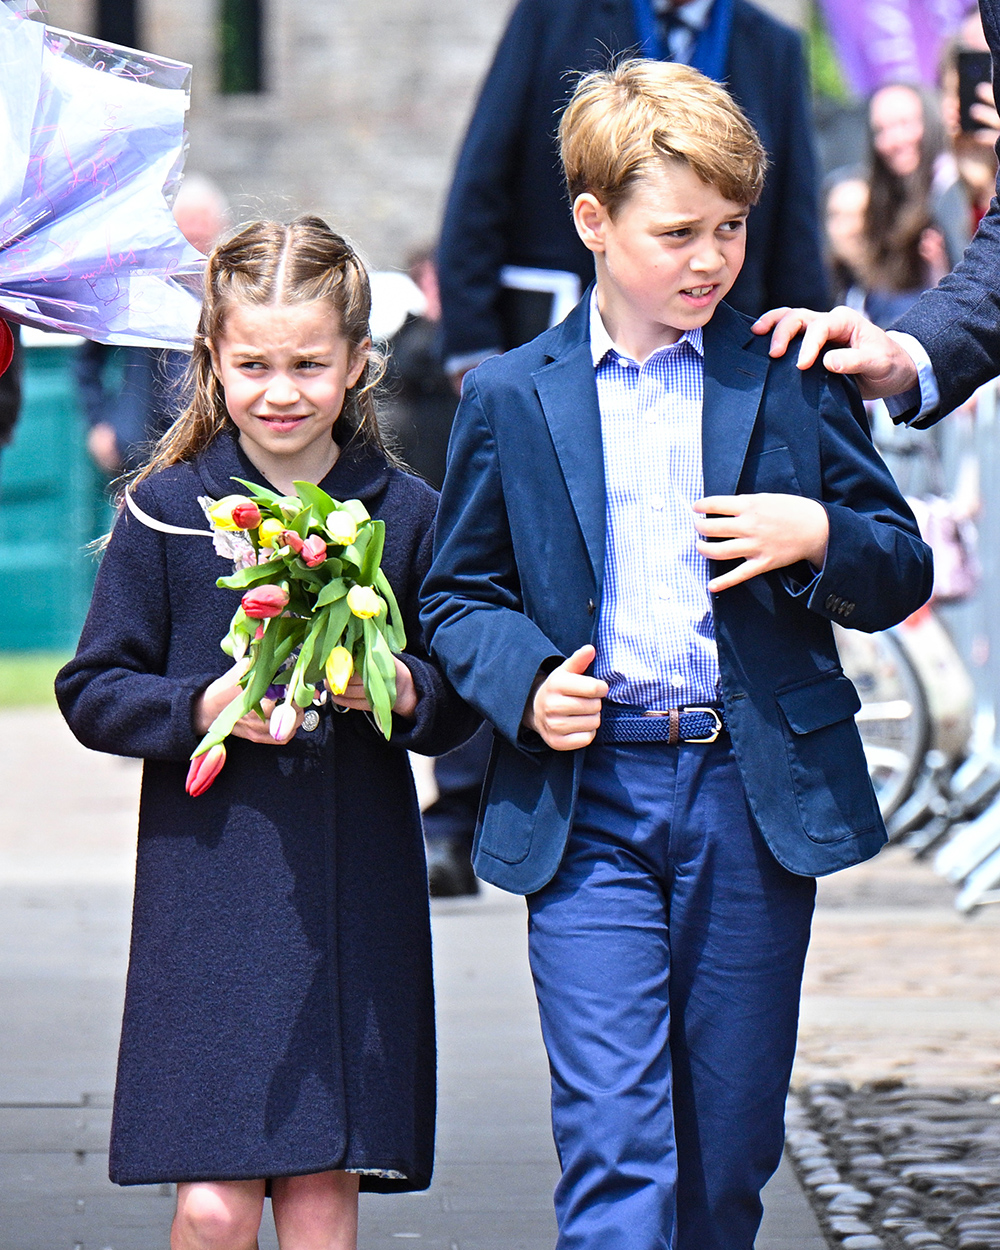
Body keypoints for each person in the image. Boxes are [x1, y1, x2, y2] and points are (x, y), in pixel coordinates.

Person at [421, 60, 932, 1250]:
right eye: (679, 231)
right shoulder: (508, 391)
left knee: (724, 1157)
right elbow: (457, 593)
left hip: (749, 803)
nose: (711, 259)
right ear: (593, 223)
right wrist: (524, 681)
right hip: (589, 799)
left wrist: (821, 535)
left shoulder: (789, 378)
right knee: (615, 1149)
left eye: (733, 229)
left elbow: (897, 564)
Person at [55, 218, 477, 1250]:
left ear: (358, 363)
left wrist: (387, 684)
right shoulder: (166, 510)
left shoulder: (407, 513)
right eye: (252, 363)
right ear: (211, 359)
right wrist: (204, 704)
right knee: (211, 1205)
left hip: (351, 889)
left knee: (324, 1196)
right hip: (210, 896)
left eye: (307, 363)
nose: (279, 389)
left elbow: (455, 702)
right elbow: (93, 688)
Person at [437, 0, 830, 388]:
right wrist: (473, 340)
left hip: (723, 358)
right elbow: (484, 172)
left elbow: (794, 219)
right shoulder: (553, 13)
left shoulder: (773, 45)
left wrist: (807, 359)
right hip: (555, 327)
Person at [753, 5, 1000, 427]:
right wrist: (907, 352)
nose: (895, 141)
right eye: (882, 130)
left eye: (906, 124)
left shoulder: (948, 189)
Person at [76, 174, 231, 474]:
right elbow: (87, 361)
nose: (193, 245)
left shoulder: (228, 295)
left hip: (204, 449)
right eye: (186, 235)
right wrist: (100, 423)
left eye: (201, 237)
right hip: (137, 446)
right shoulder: (138, 287)